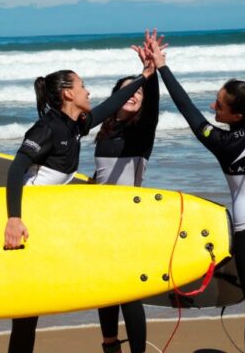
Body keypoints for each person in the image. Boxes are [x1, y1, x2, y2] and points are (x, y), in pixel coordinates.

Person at [146, 36, 245, 353]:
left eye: (218, 104)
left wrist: (163, 67)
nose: (212, 107)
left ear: (235, 115)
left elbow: (187, 109)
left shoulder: (219, 141)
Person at [3, 44, 156, 353]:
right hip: (30, 220)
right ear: (68, 94)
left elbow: (110, 105)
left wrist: (146, 76)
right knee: (27, 310)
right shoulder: (47, 128)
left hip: (51, 220)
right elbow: (16, 168)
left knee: (33, 305)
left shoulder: (75, 125)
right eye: (83, 86)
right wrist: (14, 218)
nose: (88, 92)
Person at [93, 35, 160, 353]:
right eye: (126, 89)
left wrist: (151, 71)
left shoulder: (141, 132)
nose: (134, 94)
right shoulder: (105, 129)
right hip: (100, 218)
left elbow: (154, 103)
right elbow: (104, 176)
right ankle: (109, 344)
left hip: (129, 218)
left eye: (138, 91)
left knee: (129, 290)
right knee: (105, 288)